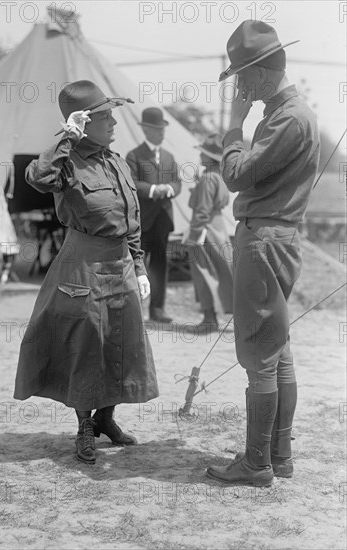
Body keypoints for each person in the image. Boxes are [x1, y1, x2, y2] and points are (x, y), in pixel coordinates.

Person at [13, 80, 159, 465]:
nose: (113, 122)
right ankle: (84, 428)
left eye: (112, 115)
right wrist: (66, 136)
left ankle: (106, 419)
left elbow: (132, 219)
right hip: (83, 266)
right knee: (85, 346)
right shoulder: (66, 162)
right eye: (105, 116)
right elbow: (38, 178)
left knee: (121, 344)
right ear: (84, 122)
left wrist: (139, 266)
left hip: (120, 265)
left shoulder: (117, 161)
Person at [205, 21, 320, 486]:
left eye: (241, 76)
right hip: (278, 237)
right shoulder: (288, 112)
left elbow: (236, 174)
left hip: (264, 240)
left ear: (260, 73)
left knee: (259, 355)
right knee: (278, 350)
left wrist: (233, 123)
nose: (238, 85)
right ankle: (279, 455)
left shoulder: (287, 117)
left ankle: (256, 464)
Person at [126, 108, 181, 323]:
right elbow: (132, 184)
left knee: (159, 264)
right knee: (137, 265)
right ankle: (135, 309)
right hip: (142, 220)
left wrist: (168, 189)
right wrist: (152, 190)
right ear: (146, 130)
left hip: (163, 220)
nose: (161, 133)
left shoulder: (169, 157)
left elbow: (177, 183)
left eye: (162, 129)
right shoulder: (134, 155)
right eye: (157, 129)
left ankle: (157, 309)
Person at [182, 133, 233, 333]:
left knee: (203, 272)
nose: (200, 156)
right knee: (223, 271)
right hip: (218, 227)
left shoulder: (207, 179)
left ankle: (209, 318)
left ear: (210, 157)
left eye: (203, 153)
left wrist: (194, 235)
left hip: (205, 229)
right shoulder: (219, 177)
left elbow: (202, 210)